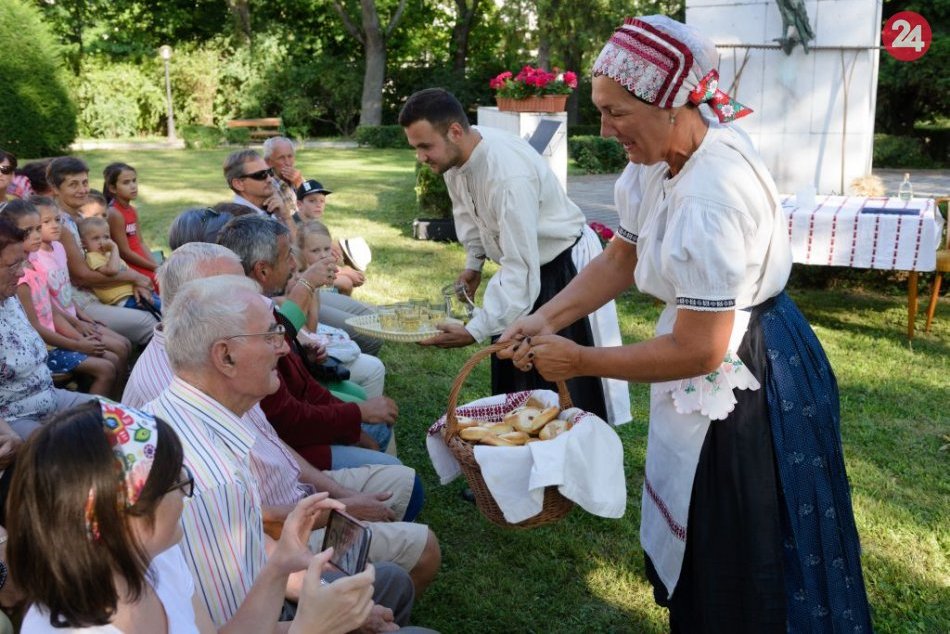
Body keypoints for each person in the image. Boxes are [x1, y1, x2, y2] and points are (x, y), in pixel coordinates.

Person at [499, 15, 872, 632]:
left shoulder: (709, 194)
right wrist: (543, 318)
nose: (605, 128)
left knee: (741, 537)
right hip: (723, 346)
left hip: (753, 375)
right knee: (703, 521)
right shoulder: (661, 162)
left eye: (616, 112)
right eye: (601, 110)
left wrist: (580, 359)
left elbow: (701, 351)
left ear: (672, 105)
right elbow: (620, 258)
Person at [142, 276, 419, 630]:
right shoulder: (213, 479)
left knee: (393, 581)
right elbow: (234, 625)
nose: (284, 348)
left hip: (268, 590)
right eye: (271, 335)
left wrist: (311, 584)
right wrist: (332, 620)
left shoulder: (185, 411)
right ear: (225, 356)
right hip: (267, 616)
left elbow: (253, 551)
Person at [8, 398, 378, 634]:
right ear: (122, 516)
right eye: (176, 482)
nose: (187, 493)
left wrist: (280, 565)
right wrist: (308, 629)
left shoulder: (155, 559)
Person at [399, 88, 630, 425]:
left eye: (425, 146)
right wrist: (474, 265)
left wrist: (474, 330)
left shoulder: (508, 176)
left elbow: (521, 268)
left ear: (455, 131)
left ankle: (573, 454)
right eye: (416, 147)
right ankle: (521, 452)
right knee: (516, 378)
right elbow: (467, 212)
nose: (421, 157)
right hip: (524, 265)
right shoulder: (455, 157)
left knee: (564, 390)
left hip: (564, 269)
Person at [217, 216, 402, 470]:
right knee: (388, 448)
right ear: (262, 270)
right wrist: (357, 415)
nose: (295, 264)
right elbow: (288, 420)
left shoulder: (260, 308)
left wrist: (354, 418)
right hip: (287, 455)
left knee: (374, 420)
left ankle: (387, 471)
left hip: (292, 435)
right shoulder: (248, 330)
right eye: (287, 258)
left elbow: (304, 385)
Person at [1, 200, 120, 398]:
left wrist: (76, 324)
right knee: (106, 368)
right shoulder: (20, 278)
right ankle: (93, 413)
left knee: (113, 357)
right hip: (45, 349)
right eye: (28, 231)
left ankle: (115, 404)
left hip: (57, 339)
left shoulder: (34, 262)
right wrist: (77, 344)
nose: (36, 235)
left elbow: (50, 309)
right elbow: (35, 326)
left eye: (38, 228)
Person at [47, 157, 158, 346]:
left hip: (103, 292)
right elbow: (82, 276)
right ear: (55, 188)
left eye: (85, 183)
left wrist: (134, 282)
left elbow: (105, 257)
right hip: (81, 302)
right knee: (151, 323)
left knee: (155, 306)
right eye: (73, 184)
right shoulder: (60, 225)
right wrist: (134, 277)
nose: (82, 190)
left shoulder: (80, 217)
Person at [0, 216, 89, 439]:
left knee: (118, 418)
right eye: (12, 266)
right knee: (78, 449)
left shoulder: (8, 298)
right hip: (15, 419)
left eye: (22, 262)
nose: (21, 273)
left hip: (50, 398)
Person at [30, 196, 132, 377]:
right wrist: (78, 325)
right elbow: (49, 305)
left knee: (125, 344)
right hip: (60, 326)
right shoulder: (34, 259)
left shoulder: (59, 248)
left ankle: (122, 390)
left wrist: (85, 318)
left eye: (57, 220)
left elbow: (64, 293)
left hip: (74, 318)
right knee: (116, 354)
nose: (55, 225)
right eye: (46, 222)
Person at [296, 220, 386, 399]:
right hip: (305, 352)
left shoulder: (312, 276)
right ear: (299, 252)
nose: (323, 256)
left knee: (374, 321)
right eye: (315, 251)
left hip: (310, 341)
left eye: (326, 249)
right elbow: (310, 329)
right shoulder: (299, 281)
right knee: (375, 366)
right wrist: (313, 287)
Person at [78, 216, 162, 316]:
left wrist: (139, 284)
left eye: (106, 237)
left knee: (166, 306)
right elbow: (112, 271)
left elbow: (127, 269)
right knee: (167, 311)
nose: (102, 242)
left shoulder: (108, 254)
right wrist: (114, 248)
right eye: (96, 238)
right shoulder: (93, 257)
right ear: (83, 243)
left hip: (133, 293)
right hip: (124, 299)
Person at [102, 162, 160, 287]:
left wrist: (156, 265)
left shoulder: (132, 210)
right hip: (130, 264)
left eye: (134, 181)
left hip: (142, 260)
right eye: (126, 182)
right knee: (158, 283)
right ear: (112, 188)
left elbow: (140, 243)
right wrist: (154, 267)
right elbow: (124, 252)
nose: (133, 186)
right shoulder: (114, 213)